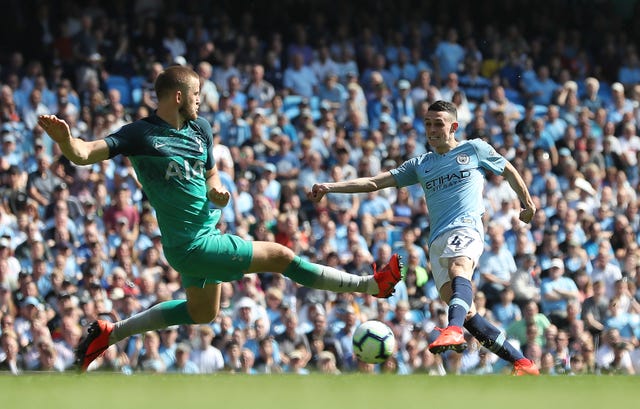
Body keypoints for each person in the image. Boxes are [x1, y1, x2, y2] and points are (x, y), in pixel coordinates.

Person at [37, 66, 402, 372]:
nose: (200, 100)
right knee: (280, 256)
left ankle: (109, 333)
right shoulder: (140, 134)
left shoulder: (201, 130)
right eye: (196, 94)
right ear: (178, 96)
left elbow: (210, 174)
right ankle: (371, 285)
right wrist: (66, 141)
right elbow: (84, 154)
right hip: (192, 244)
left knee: (203, 313)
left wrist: (216, 190)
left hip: (203, 234)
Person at [308, 100, 539, 375]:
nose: (431, 129)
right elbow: (373, 182)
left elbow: (508, 169)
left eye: (438, 124)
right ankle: (522, 362)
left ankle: (452, 331)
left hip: (466, 227)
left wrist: (527, 203)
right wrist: (329, 187)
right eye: (428, 124)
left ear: (453, 126)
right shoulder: (421, 164)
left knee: (459, 269)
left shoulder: (474, 149)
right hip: (436, 240)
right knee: (466, 312)